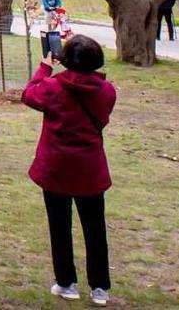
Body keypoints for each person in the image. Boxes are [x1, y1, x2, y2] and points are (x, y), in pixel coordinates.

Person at [24, 34, 115, 307]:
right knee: (95, 228)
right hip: (89, 168)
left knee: (59, 226)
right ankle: (100, 287)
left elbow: (29, 95)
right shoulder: (106, 91)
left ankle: (66, 282)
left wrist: (44, 68)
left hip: (56, 168)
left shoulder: (52, 87)